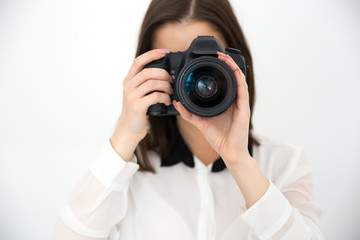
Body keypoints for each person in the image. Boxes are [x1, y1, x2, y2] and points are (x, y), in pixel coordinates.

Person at [51, 0, 324, 239]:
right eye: (178, 64)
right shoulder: (128, 174)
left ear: (237, 66)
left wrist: (239, 161)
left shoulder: (284, 163)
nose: (192, 78)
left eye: (205, 61)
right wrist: (124, 136)